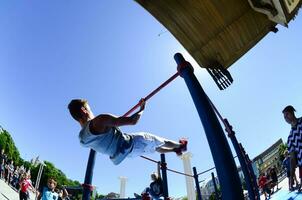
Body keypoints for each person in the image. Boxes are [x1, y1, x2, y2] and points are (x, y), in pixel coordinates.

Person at [67, 99, 188, 165]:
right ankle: (181, 145)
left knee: (155, 148)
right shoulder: (99, 120)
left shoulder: (82, 140)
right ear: (84, 110)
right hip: (134, 142)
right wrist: (142, 109)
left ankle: (174, 150)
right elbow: (132, 121)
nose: (92, 112)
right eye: (90, 109)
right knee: (162, 141)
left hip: (128, 154)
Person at [283, 105, 302, 190]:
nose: (286, 118)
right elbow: (292, 158)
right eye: (284, 117)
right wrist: (291, 178)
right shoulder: (290, 137)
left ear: (292, 112)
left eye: (287, 115)